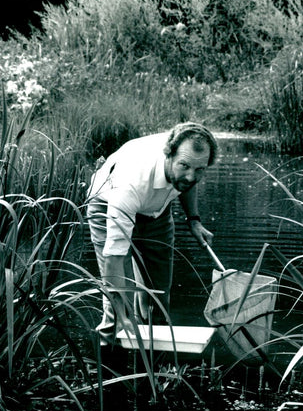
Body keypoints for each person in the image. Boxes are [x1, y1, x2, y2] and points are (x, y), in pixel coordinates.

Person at [86, 122, 217, 364]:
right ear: (169, 155)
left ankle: (153, 369)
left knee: (158, 299)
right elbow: (114, 259)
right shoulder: (130, 183)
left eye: (200, 169)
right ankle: (109, 369)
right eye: (184, 166)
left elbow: (187, 183)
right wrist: (122, 313)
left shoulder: (188, 162)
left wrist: (194, 220)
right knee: (119, 307)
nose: (192, 175)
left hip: (156, 210)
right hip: (108, 204)